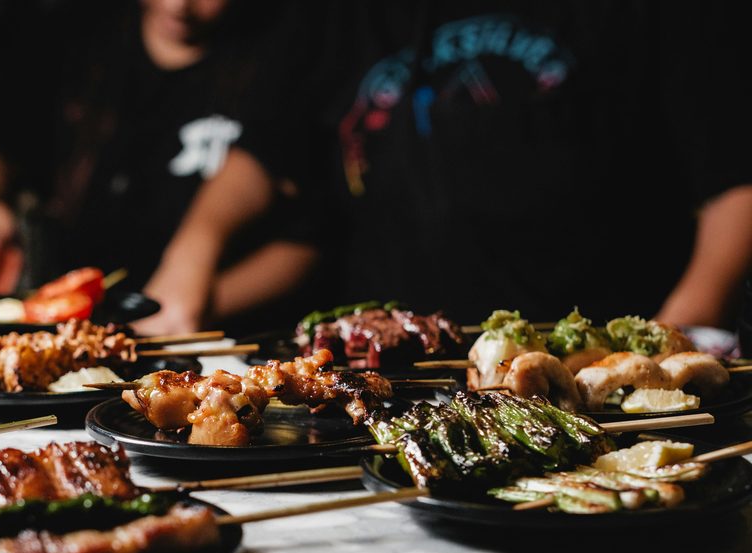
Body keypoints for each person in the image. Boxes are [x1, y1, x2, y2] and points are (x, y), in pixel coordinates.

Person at [145, 1, 752, 331]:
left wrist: (684, 331)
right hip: (385, 372)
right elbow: (266, 152)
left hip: (577, 360)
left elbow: (736, 180)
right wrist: (189, 256)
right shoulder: (338, 14)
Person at [0, 0, 318, 329]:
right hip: (67, 319)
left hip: (205, 332)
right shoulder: (76, 37)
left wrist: (197, 295)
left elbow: (308, 235)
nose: (180, 5)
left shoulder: (278, 54)